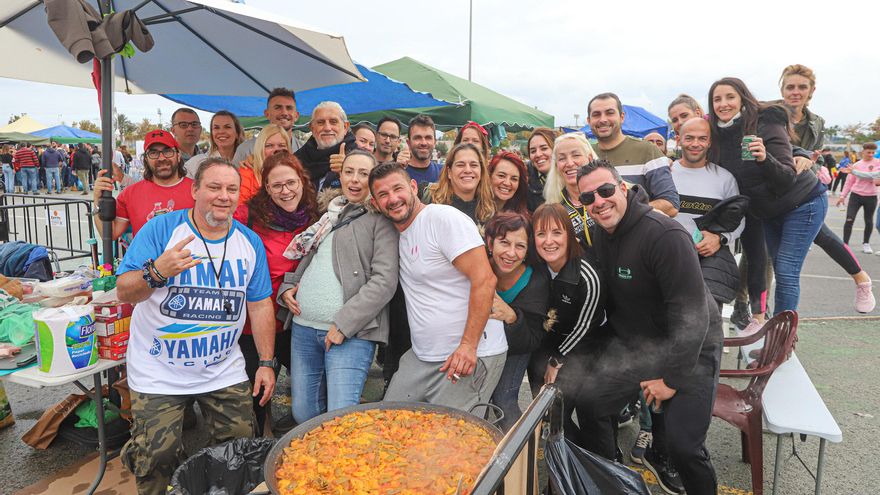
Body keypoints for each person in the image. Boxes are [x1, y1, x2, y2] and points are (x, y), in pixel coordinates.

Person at [116, 157, 276, 495]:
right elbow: (125, 290)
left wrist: (265, 363)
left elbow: (260, 304)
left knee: (242, 453)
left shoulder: (249, 242)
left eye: (232, 189)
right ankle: (146, 457)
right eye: (214, 187)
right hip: (158, 369)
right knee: (157, 458)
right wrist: (157, 271)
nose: (224, 196)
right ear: (194, 191)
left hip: (222, 368)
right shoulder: (162, 231)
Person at [576, 160, 722, 495]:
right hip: (640, 344)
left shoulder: (665, 235)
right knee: (593, 402)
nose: (598, 201)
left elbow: (693, 316)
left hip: (691, 347)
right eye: (588, 198)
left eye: (606, 190)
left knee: (684, 447)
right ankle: (609, 480)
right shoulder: (602, 233)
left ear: (623, 188)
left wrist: (670, 380)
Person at [369, 162, 507, 412]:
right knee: (388, 423)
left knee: (450, 443)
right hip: (422, 356)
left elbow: (485, 280)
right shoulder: (397, 233)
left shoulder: (441, 218)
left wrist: (468, 346)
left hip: (466, 356)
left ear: (413, 187)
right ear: (376, 203)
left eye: (398, 189)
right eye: (383, 195)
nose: (393, 199)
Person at [278, 150, 399, 423]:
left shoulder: (381, 221)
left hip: (350, 334)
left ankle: (345, 466)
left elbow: (384, 281)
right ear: (340, 175)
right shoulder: (328, 214)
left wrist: (344, 324)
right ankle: (314, 465)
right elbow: (310, 258)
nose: (354, 180)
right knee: (303, 413)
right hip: (304, 327)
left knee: (340, 418)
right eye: (348, 172)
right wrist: (289, 286)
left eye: (363, 174)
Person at [709, 77, 827, 329]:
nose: (723, 103)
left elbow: (785, 170)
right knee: (757, 257)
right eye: (717, 99)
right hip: (761, 207)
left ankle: (782, 331)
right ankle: (758, 316)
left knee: (784, 268)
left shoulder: (767, 122)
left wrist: (773, 157)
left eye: (730, 97)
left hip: (801, 200)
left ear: (742, 98)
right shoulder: (719, 133)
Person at [232, 151, 318, 435]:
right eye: (277, 185)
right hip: (254, 321)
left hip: (296, 320)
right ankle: (259, 446)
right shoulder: (248, 216)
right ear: (266, 188)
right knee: (256, 390)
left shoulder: (315, 216)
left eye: (291, 182)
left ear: (302, 182)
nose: (286, 191)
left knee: (311, 387)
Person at [778, 64, 875, 312]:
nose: (795, 92)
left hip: (802, 194)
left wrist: (812, 163)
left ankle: (767, 323)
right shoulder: (769, 114)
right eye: (790, 87)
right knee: (761, 255)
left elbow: (816, 156)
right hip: (772, 193)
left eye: (802, 87)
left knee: (789, 261)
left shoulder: (817, 123)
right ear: (782, 88)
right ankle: (752, 314)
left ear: (811, 91)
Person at [529, 203, 608, 451]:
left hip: (582, 351)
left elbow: (586, 325)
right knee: (547, 413)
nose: (548, 241)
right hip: (545, 346)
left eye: (556, 232)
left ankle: (590, 462)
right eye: (541, 234)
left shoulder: (586, 274)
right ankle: (564, 456)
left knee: (567, 414)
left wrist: (556, 360)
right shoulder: (535, 266)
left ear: (569, 235)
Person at [484, 212, 548, 431]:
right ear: (490, 243)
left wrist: (512, 317)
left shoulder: (535, 280)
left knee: (504, 400)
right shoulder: (477, 266)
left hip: (517, 346)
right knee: (477, 401)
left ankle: (522, 457)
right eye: (504, 243)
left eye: (520, 246)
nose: (511, 253)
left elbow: (531, 339)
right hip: (480, 342)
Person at [587, 92, 680, 217]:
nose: (603, 119)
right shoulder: (584, 155)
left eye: (609, 113)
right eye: (596, 114)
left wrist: (626, 210)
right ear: (589, 121)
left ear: (622, 117)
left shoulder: (648, 151)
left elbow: (671, 205)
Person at [92, 129, 195, 239]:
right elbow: (109, 234)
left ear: (178, 155)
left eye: (168, 151)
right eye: (153, 153)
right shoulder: (130, 194)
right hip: (147, 256)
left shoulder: (197, 190)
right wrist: (98, 199)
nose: (161, 158)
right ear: (146, 159)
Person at [543, 133, 597, 248]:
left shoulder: (609, 195)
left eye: (576, 155)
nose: (570, 163)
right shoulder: (554, 209)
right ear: (557, 165)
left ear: (590, 158)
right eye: (562, 158)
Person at [422, 143, 496, 226]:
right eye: (460, 165)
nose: (468, 170)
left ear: (481, 171)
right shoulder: (428, 199)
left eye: (473, 165)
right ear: (449, 172)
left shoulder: (489, 210)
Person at [294, 101, 356, 191]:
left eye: (333, 122)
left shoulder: (361, 158)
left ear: (345, 127)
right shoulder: (296, 161)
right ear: (312, 128)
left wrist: (350, 170)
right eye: (320, 122)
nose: (327, 128)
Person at [233, 88, 304, 165]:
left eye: (289, 108)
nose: (284, 112)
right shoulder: (246, 149)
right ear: (267, 114)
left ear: (296, 116)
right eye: (278, 107)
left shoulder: (304, 150)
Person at [838, 143, 880, 252]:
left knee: (868, 220)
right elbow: (849, 182)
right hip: (856, 195)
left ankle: (866, 244)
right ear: (863, 151)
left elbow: (875, 177)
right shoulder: (856, 165)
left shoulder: (878, 163)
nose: (871, 154)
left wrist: (859, 174)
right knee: (849, 219)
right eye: (868, 152)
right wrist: (842, 196)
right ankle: (845, 244)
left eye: (873, 152)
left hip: (871, 196)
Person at [239, 124, 291, 204]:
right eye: (269, 146)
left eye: (281, 145)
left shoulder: (295, 173)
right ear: (260, 148)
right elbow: (240, 209)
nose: (276, 150)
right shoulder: (246, 173)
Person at [184, 110, 244, 177]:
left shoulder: (248, 161)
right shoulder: (195, 164)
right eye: (216, 128)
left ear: (237, 133)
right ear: (212, 133)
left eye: (227, 127)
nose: (221, 131)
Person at [401, 114, 443, 184]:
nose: (423, 143)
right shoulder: (399, 174)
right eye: (417, 138)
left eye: (428, 138)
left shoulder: (444, 173)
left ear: (434, 142)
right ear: (408, 143)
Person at [526, 127, 557, 212]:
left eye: (544, 148)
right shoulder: (525, 181)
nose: (538, 154)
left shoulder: (569, 176)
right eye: (533, 151)